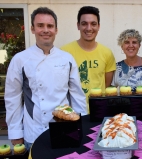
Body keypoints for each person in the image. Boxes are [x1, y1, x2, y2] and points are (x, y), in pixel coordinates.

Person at [4, 7, 87, 149]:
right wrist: (15, 133)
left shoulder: (67, 58)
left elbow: (77, 95)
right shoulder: (20, 60)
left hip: (65, 130)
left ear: (56, 29)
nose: (46, 30)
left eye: (50, 26)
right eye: (40, 25)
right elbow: (13, 98)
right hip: (35, 131)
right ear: (32, 29)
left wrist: (83, 124)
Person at [61, 6, 116, 113]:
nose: (89, 28)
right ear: (78, 25)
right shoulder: (64, 52)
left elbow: (106, 84)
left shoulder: (107, 53)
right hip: (73, 112)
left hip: (99, 111)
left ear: (99, 26)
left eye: (93, 24)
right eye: (84, 23)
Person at [111, 29, 142, 93]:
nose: (131, 46)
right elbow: (111, 91)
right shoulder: (117, 67)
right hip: (123, 103)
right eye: (127, 42)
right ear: (122, 46)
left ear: (139, 46)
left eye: (134, 42)